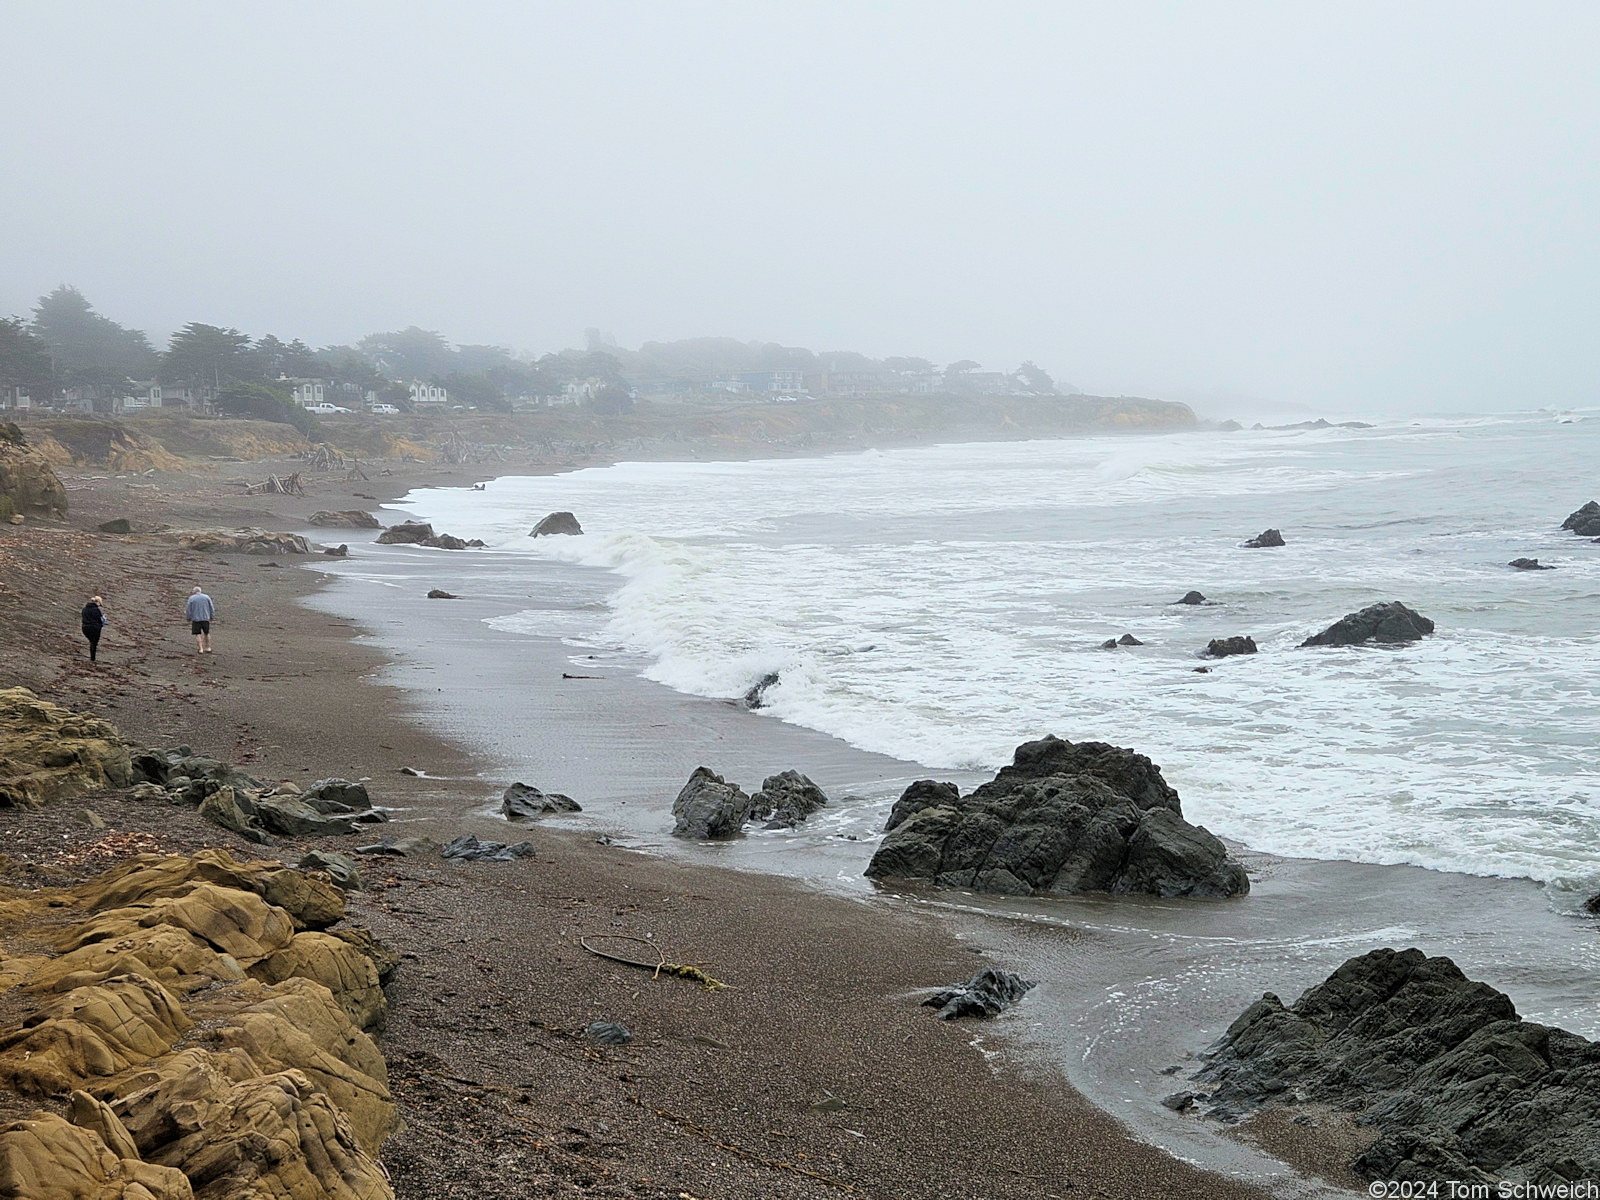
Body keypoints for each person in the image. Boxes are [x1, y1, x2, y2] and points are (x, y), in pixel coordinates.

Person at [186, 586, 215, 654]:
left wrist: (188, 617)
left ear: (194, 592)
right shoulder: (206, 597)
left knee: (197, 634)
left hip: (196, 619)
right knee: (206, 633)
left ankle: (201, 649)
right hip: (205, 618)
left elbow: (188, 609)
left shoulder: (191, 598)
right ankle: (208, 647)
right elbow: (211, 607)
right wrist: (211, 616)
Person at [80, 596, 106, 663]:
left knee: (91, 641)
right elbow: (100, 620)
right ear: (97, 602)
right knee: (94, 643)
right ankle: (92, 658)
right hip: (95, 628)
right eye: (100, 604)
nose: (99, 606)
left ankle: (92, 657)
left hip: (85, 627)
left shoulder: (84, 609)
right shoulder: (96, 610)